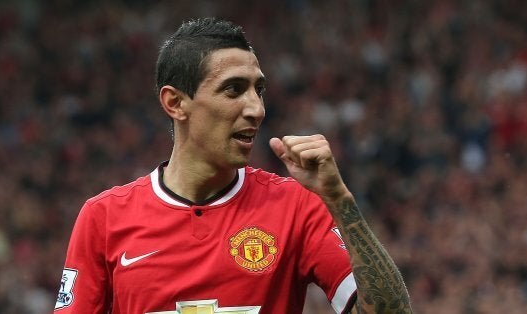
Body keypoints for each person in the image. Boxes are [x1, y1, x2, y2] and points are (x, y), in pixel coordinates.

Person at [54, 17, 412, 314]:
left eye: (259, 90)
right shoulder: (103, 218)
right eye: (233, 89)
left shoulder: (295, 206)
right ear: (175, 103)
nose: (256, 108)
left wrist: (340, 201)